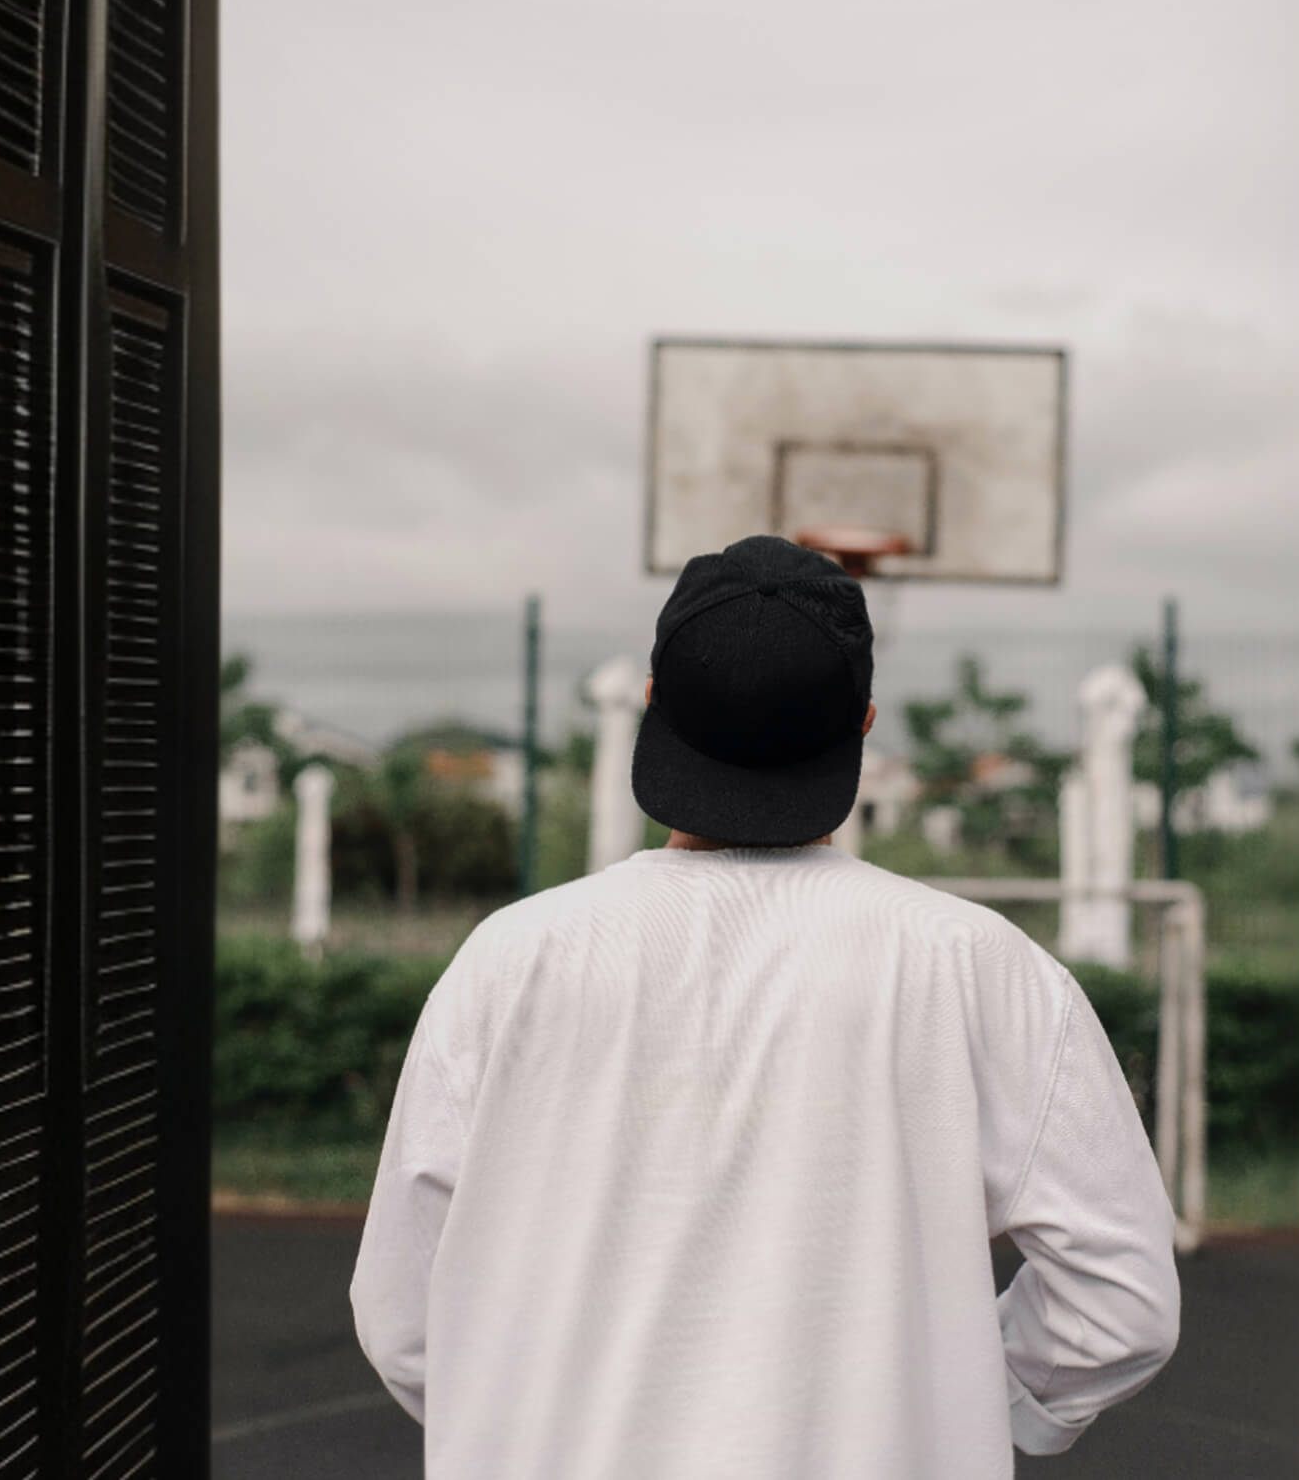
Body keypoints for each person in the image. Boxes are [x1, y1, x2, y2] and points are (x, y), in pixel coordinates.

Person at [349, 533, 1180, 1480]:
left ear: (654, 708)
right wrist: (948, 1396)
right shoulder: (983, 968)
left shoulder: (511, 961)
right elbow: (1122, 1304)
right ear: (864, 723)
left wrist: (523, 1417)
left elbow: (403, 1314)